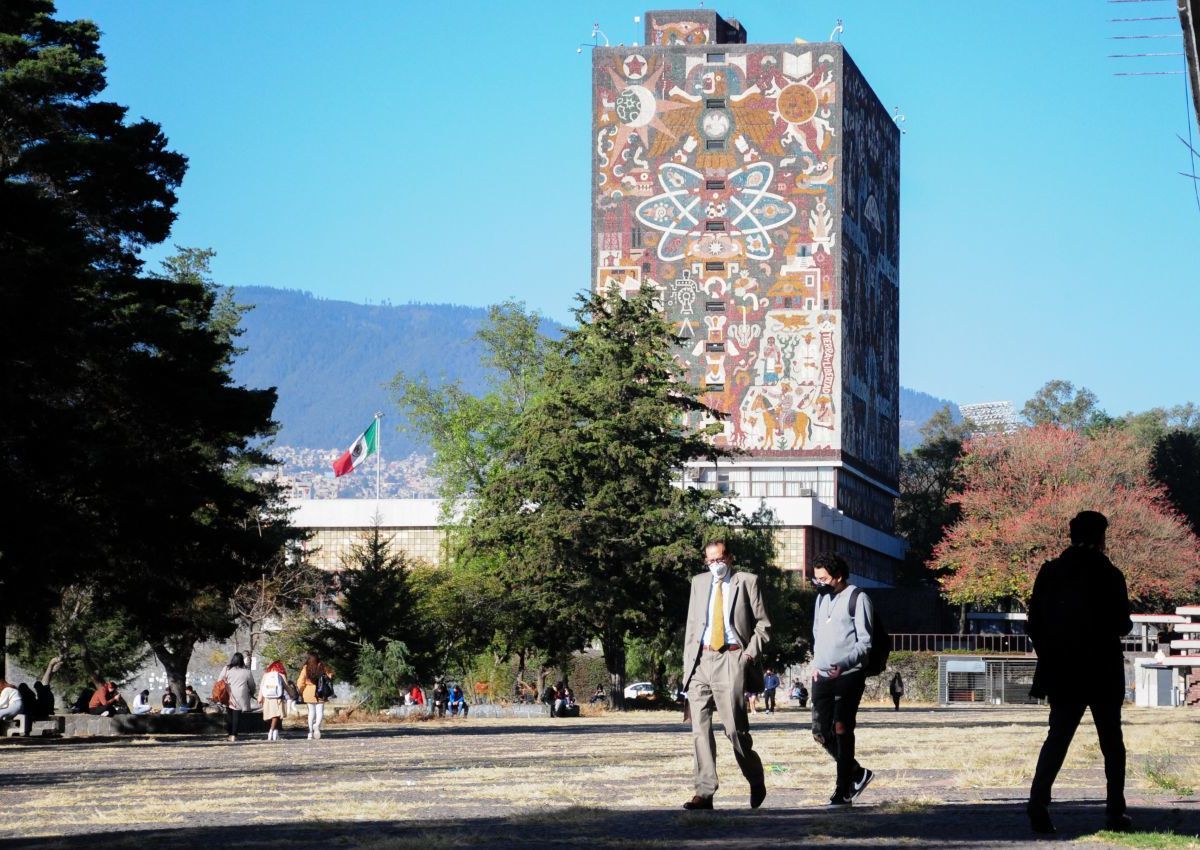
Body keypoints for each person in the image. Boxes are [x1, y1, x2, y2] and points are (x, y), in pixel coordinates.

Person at [1026, 511, 1133, 835]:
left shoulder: (1051, 572)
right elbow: (1123, 624)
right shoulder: (1110, 574)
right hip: (1102, 669)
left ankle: (1038, 804)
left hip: (1063, 669)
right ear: (1102, 537)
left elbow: (1034, 624)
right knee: (1112, 743)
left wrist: (1051, 651)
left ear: (1071, 536)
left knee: (1057, 738)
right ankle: (1115, 812)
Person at [680, 539, 771, 811]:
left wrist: (748, 655)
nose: (715, 565)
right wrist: (688, 665)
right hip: (700, 660)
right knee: (700, 730)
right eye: (710, 561)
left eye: (719, 559)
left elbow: (764, 626)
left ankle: (755, 778)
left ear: (730, 558)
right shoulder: (698, 583)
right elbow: (692, 626)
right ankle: (704, 792)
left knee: (735, 730)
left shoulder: (747, 581)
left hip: (732, 657)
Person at [810, 553, 875, 807]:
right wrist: (816, 663)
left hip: (848, 675)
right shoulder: (820, 598)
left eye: (823, 578)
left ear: (837, 576)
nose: (819, 583)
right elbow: (817, 633)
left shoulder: (858, 598)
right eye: (816, 578)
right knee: (820, 732)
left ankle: (843, 789)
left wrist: (844, 664)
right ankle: (857, 773)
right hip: (822, 675)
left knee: (841, 728)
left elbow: (865, 642)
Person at [296, 651, 333, 740]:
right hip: (321, 691)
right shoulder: (322, 666)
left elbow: (300, 682)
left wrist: (300, 691)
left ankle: (310, 733)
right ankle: (316, 726)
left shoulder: (306, 668)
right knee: (320, 712)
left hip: (309, 692)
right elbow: (330, 676)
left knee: (311, 713)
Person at [220, 653, 257, 742]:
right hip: (241, 695)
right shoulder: (246, 671)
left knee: (229, 715)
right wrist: (252, 692)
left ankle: (230, 734)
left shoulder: (227, 669)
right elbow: (252, 685)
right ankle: (234, 735)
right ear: (242, 661)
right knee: (237, 715)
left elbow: (219, 681)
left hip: (229, 694)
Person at [257, 660, 288, 741]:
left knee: (272, 716)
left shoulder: (266, 675)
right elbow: (286, 687)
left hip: (267, 698)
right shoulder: (281, 675)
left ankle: (275, 733)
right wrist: (292, 694)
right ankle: (271, 731)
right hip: (277, 697)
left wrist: (259, 697)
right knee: (276, 716)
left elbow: (262, 687)